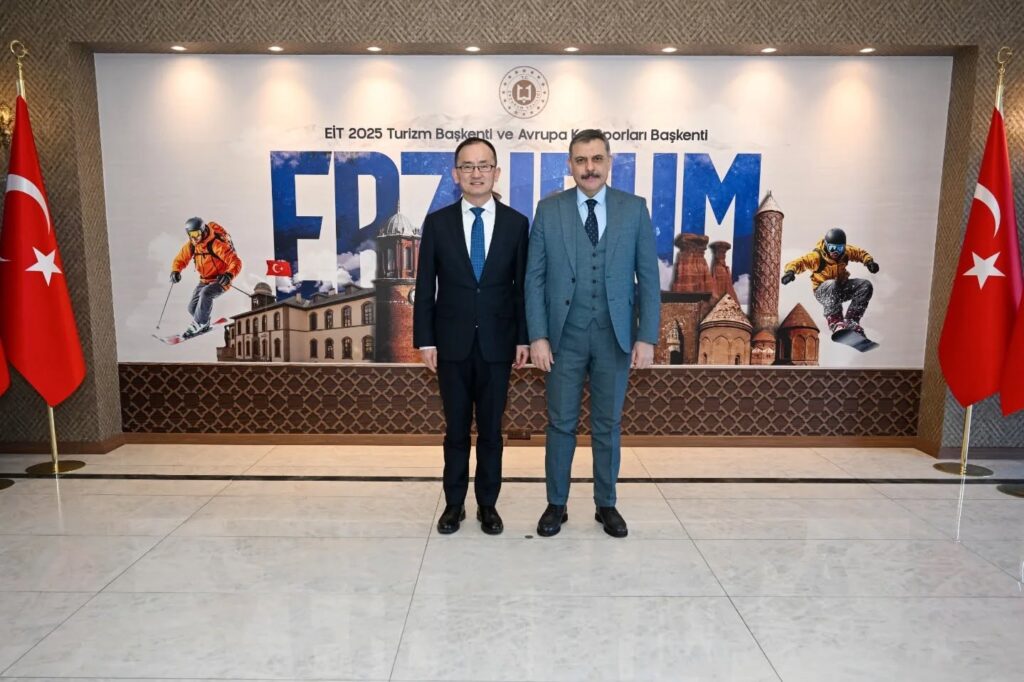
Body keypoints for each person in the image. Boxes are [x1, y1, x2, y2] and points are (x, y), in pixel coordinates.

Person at [525, 129, 660, 538]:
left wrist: (646, 336)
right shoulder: (549, 210)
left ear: (609, 162)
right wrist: (537, 336)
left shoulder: (634, 209)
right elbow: (534, 278)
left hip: (614, 337)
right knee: (560, 424)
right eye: (581, 160)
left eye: (597, 159)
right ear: (570, 165)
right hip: (562, 339)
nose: (589, 168)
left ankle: (606, 504)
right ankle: (556, 504)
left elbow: (649, 278)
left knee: (607, 424)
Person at [413, 137, 530, 535]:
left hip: (499, 344)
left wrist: (524, 338)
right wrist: (426, 340)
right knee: (456, 431)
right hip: (451, 344)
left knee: (492, 432)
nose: (476, 173)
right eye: (467, 166)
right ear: (455, 174)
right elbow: (425, 285)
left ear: (496, 172)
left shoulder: (516, 223)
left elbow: (521, 288)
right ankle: (453, 505)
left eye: (484, 166)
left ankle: (488, 506)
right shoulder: (438, 223)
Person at [781, 227, 879, 335]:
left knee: (865, 285)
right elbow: (800, 262)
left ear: (844, 247)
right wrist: (790, 272)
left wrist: (869, 262)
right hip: (823, 291)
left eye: (839, 248)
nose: (835, 252)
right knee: (832, 283)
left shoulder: (847, 252)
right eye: (832, 248)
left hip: (840, 288)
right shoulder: (817, 257)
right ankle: (835, 322)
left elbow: (860, 253)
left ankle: (851, 321)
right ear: (826, 246)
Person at [169, 217, 242, 338]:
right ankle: (204, 322)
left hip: (221, 280)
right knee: (192, 308)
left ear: (203, 231)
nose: (194, 237)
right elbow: (181, 258)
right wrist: (176, 270)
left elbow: (235, 261)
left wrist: (229, 275)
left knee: (206, 293)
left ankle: (200, 323)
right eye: (191, 234)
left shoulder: (216, 244)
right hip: (205, 280)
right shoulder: (192, 245)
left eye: (197, 233)